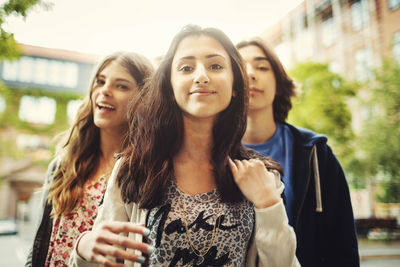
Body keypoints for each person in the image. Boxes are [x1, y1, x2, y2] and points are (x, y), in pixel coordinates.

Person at [69, 25, 300, 267]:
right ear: (169, 87)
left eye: (216, 66)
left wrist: (268, 205)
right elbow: (103, 258)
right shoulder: (133, 168)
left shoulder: (261, 176)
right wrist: (83, 247)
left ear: (235, 87)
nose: (201, 76)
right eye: (186, 68)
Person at [236, 37, 359, 267]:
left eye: (262, 67)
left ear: (279, 82)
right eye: (240, 67)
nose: (251, 74)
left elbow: (342, 245)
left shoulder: (315, 153)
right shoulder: (211, 153)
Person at [25, 51, 154, 267]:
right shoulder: (63, 165)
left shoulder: (144, 173)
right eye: (100, 82)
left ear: (144, 99)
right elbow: (39, 245)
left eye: (121, 86)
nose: (105, 91)